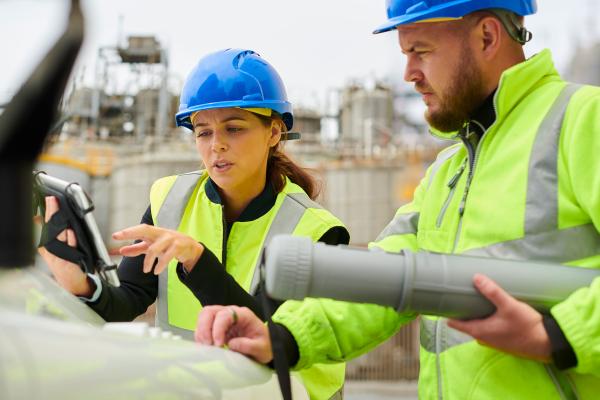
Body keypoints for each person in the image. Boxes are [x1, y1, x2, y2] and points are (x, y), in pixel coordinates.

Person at [195, 2, 600, 399]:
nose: (409, 74)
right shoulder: (448, 171)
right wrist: (281, 335)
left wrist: (560, 334)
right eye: (405, 54)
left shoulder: (582, 121)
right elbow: (384, 279)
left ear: (487, 36)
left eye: (421, 50)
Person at [38, 48, 349, 400]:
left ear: (274, 132)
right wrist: (83, 286)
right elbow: (127, 300)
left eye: (234, 128)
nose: (217, 146)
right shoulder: (169, 199)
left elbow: (266, 338)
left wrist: (196, 260)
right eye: (203, 132)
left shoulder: (317, 230)